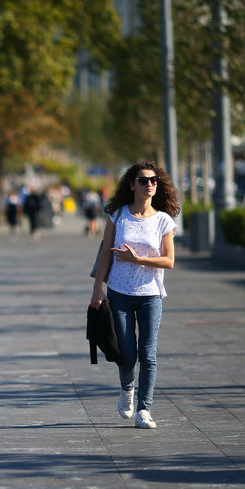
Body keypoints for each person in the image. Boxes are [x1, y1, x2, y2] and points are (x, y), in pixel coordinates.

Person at [89, 160, 179, 429]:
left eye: (154, 181)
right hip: (119, 292)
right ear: (132, 185)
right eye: (143, 180)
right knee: (127, 354)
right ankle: (127, 389)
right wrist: (97, 290)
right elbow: (105, 251)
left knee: (148, 354)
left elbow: (169, 261)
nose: (150, 184)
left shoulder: (163, 220)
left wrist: (138, 259)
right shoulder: (117, 214)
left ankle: (144, 409)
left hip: (150, 294)